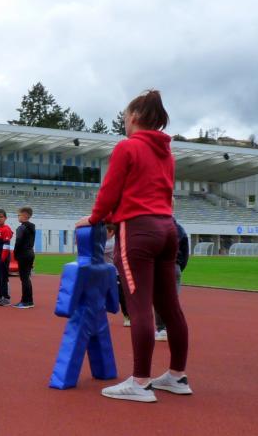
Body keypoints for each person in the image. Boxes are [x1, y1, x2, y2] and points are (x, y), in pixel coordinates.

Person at [75, 90, 191, 402]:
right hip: (167, 228)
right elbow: (154, 195)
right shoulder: (167, 154)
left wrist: (97, 217)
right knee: (169, 306)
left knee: (139, 305)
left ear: (136, 117)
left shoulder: (127, 147)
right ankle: (177, 376)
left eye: (126, 117)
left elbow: (110, 189)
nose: (124, 122)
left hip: (138, 231)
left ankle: (140, 382)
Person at [156, 219, 189, 341]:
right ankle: (175, 329)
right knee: (173, 300)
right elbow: (185, 251)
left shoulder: (156, 226)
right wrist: (179, 266)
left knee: (159, 299)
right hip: (175, 266)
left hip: (160, 266)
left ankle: (162, 329)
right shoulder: (179, 228)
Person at [104, 224, 130, 326]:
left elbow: (97, 249)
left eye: (105, 231)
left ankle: (127, 316)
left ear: (111, 232)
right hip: (103, 273)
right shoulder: (103, 241)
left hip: (115, 273)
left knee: (121, 296)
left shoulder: (111, 243)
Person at [12, 207, 36, 309]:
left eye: (19, 215)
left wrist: (15, 253)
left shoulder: (21, 228)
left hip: (23, 254)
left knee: (24, 278)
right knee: (27, 278)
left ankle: (25, 301)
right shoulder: (32, 227)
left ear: (25, 215)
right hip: (30, 253)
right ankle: (29, 300)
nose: (18, 217)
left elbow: (18, 242)